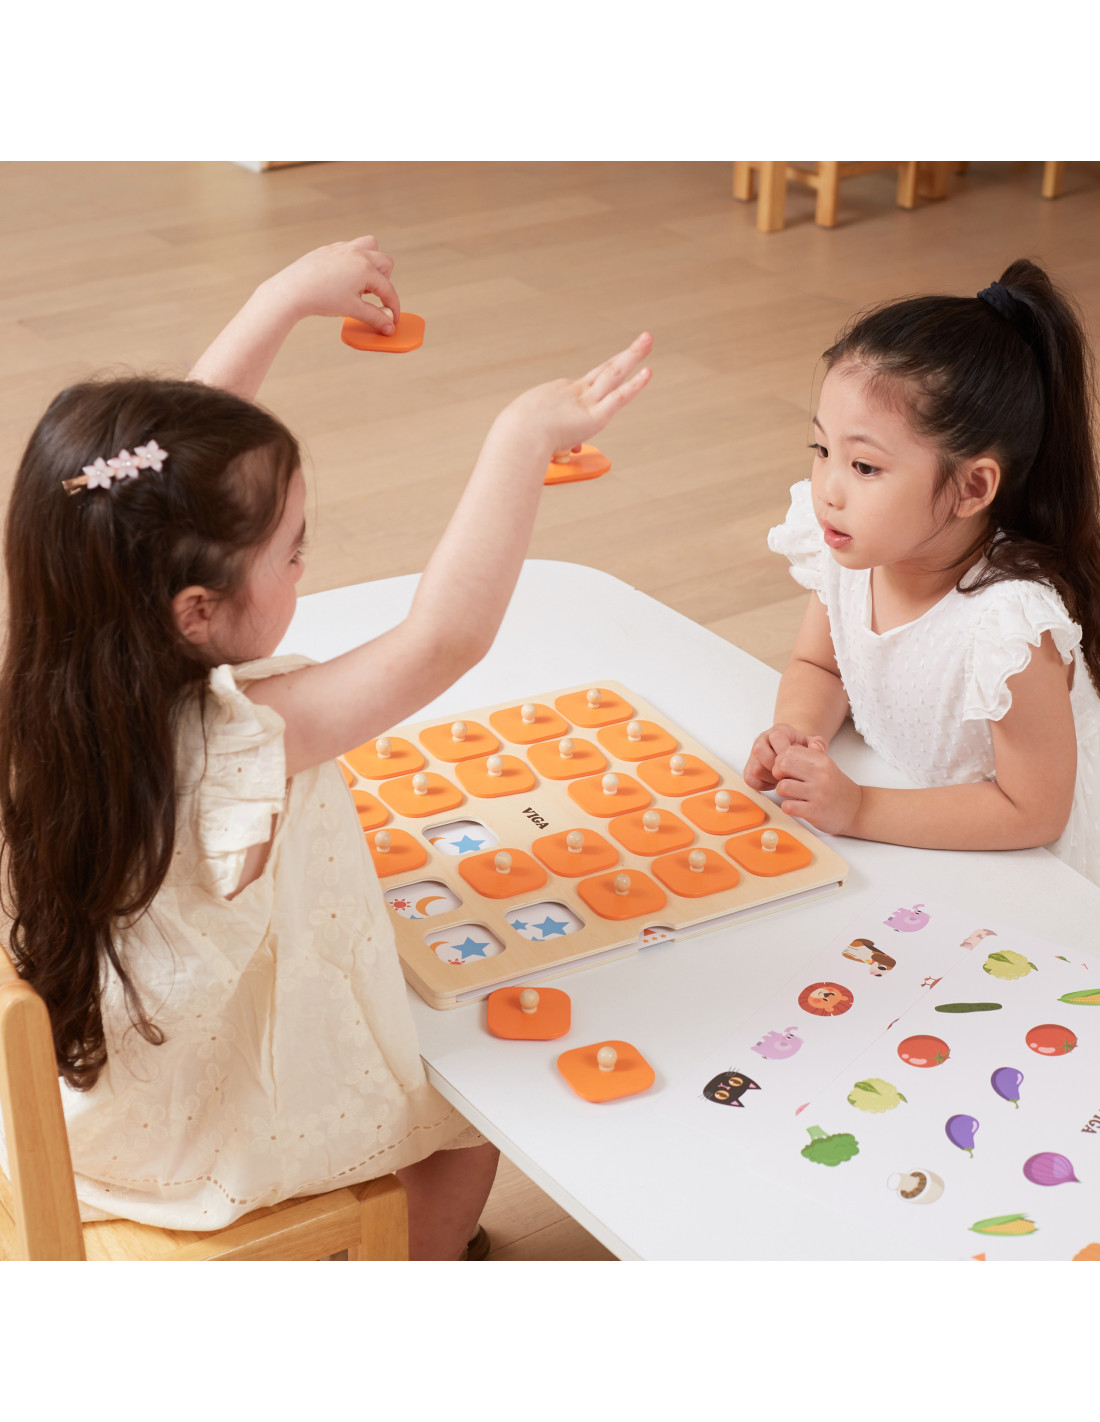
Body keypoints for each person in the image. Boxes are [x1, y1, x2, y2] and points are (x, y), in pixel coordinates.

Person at [0, 237, 652, 1258]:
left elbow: (163, 481)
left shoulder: (47, 670)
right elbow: (445, 635)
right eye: (293, 551)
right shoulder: (235, 740)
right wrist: (518, 440)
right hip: (189, 1133)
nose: (306, 561)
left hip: (67, 1096)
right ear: (195, 611)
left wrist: (281, 299)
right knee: (465, 1130)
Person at [744, 258, 1100, 886]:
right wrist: (795, 737)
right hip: (921, 827)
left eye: (865, 467)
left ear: (972, 488)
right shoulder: (855, 550)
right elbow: (820, 666)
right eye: (823, 450)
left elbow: (1034, 812)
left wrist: (857, 807)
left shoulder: (1008, 627)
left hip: (1039, 870)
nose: (828, 489)